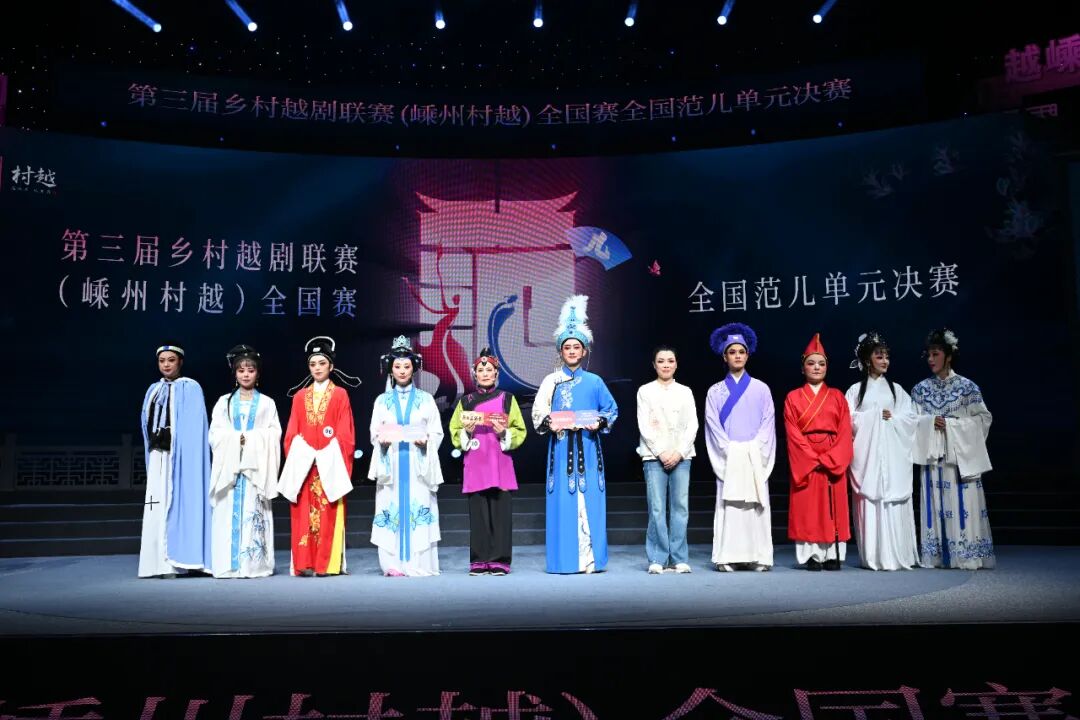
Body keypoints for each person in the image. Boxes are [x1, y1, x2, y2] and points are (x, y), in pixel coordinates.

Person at [531, 295, 618, 574]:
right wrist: (550, 423)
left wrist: (599, 422)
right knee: (563, 505)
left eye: (576, 347)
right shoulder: (551, 381)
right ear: (560, 351)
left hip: (589, 450)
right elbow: (538, 413)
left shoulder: (595, 381)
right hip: (561, 450)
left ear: (584, 351)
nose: (571, 351)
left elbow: (611, 410)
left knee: (590, 501)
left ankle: (592, 560)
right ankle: (565, 561)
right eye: (567, 347)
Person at [911, 328, 995, 569]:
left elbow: (984, 419)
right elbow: (910, 422)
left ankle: (966, 554)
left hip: (959, 460)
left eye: (935, 354)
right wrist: (928, 422)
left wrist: (951, 425)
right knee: (935, 504)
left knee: (962, 504)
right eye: (928, 355)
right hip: (933, 459)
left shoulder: (968, 388)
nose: (930, 359)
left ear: (948, 356)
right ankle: (936, 554)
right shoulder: (920, 390)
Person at [278, 336, 360, 576]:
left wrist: (326, 453)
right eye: (312, 364)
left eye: (322, 363)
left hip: (330, 465)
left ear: (331, 366)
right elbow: (291, 434)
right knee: (304, 516)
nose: (317, 368)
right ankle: (304, 563)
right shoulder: (299, 397)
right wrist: (305, 453)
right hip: (304, 467)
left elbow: (346, 434)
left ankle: (328, 564)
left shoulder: (340, 395)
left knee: (328, 513)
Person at [368, 336, 445, 576]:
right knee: (390, 507)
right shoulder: (382, 401)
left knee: (418, 506)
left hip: (416, 463)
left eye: (407, 366)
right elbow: (374, 432)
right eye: (397, 366)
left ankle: (419, 563)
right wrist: (381, 440)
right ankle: (391, 564)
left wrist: (426, 442)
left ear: (414, 368)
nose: (402, 371)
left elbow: (437, 431)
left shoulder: (426, 399)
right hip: (391, 464)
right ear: (390, 368)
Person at [704, 323, 776, 572]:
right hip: (729, 457)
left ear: (748, 355)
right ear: (724, 357)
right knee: (730, 506)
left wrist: (753, 450)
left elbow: (768, 425)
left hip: (754, 456)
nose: (737, 356)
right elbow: (712, 426)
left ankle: (759, 556)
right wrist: (730, 450)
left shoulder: (761, 389)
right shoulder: (715, 391)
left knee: (755, 506)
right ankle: (727, 556)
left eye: (741, 352)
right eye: (732, 352)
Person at [844, 332, 919, 571]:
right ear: (868, 360)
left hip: (892, 455)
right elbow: (847, 420)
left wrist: (892, 417)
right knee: (870, 501)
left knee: (893, 501)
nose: (885, 361)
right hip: (867, 459)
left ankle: (898, 555)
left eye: (887, 356)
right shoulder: (855, 390)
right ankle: (873, 556)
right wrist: (874, 417)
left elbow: (910, 418)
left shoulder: (896, 390)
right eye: (879, 356)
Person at [449, 348, 527, 575]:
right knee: (478, 515)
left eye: (489, 370)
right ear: (475, 374)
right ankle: (479, 560)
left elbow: (520, 430)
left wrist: (504, 433)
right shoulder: (466, 401)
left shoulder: (507, 399)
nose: (485, 374)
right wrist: (466, 432)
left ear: (496, 374)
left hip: (499, 462)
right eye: (481, 370)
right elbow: (454, 430)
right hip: (476, 463)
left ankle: (500, 560)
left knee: (501, 514)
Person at [138, 342, 212, 578]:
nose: (166, 365)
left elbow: (195, 427)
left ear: (180, 362)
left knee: (180, 502)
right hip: (158, 455)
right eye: (162, 361)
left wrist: (180, 445)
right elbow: (146, 423)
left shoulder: (190, 387)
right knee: (157, 504)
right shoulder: (153, 389)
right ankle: (157, 563)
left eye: (171, 360)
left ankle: (185, 561)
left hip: (181, 457)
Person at [207, 344, 281, 578]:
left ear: (258, 373)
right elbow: (215, 433)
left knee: (253, 512)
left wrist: (250, 440)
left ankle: (253, 565)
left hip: (254, 470)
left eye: (250, 370)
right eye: (241, 370)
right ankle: (227, 565)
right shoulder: (224, 402)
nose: (246, 374)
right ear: (235, 373)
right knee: (226, 513)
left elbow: (274, 434)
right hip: (230, 470)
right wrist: (234, 439)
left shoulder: (267, 403)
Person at [784, 333, 853, 571]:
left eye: (821, 364)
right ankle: (811, 555)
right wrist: (812, 458)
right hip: (806, 457)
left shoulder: (837, 397)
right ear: (803, 368)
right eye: (811, 363)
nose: (816, 367)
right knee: (809, 506)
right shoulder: (793, 397)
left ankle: (833, 553)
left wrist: (831, 458)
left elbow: (845, 431)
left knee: (833, 505)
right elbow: (793, 433)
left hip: (832, 455)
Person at [636, 345, 698, 574]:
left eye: (670, 361)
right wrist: (661, 452)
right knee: (657, 508)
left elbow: (692, 425)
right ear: (654, 365)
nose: (666, 365)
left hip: (682, 456)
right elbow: (644, 425)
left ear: (676, 364)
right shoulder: (645, 391)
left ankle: (679, 557)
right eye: (661, 361)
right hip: (654, 456)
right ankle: (658, 557)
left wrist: (679, 452)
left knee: (680, 507)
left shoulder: (685, 391)